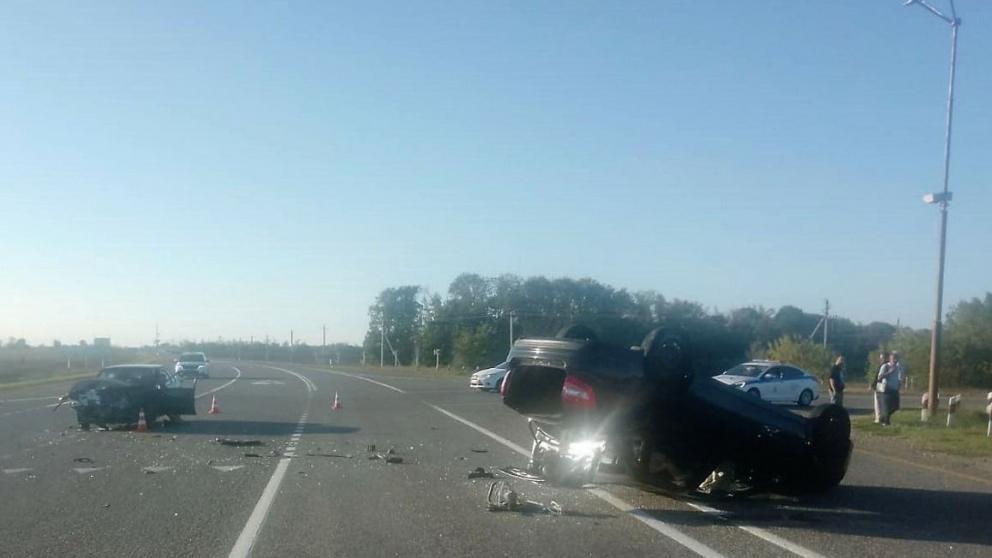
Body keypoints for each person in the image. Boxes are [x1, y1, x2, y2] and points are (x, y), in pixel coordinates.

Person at [877, 351, 903, 425]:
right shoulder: (885, 366)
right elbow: (879, 377)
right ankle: (886, 422)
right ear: (890, 359)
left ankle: (882, 418)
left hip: (895, 390)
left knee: (895, 407)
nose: (895, 360)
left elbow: (899, 377)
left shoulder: (898, 367)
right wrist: (889, 372)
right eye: (893, 358)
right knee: (886, 408)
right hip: (886, 390)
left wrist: (899, 384)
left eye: (896, 358)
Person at [871, 351, 887, 423]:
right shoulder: (881, 366)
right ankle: (879, 417)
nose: (881, 359)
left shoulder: (884, 366)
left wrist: (874, 384)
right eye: (880, 358)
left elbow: (879, 377)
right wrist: (873, 384)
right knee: (878, 403)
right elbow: (876, 376)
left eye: (882, 358)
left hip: (881, 385)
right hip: (879, 385)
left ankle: (879, 418)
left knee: (879, 403)